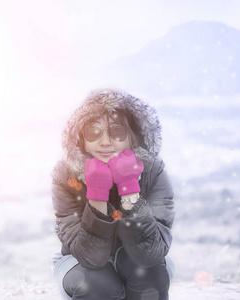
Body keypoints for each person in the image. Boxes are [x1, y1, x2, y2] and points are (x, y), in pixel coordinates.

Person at [51, 89, 177, 300]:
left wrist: (129, 188)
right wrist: (97, 195)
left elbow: (149, 254)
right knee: (98, 286)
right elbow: (91, 258)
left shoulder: (152, 171)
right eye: (94, 132)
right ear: (80, 137)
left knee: (150, 277)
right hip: (79, 262)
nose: (105, 142)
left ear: (133, 135)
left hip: (139, 258)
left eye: (117, 132)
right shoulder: (65, 175)